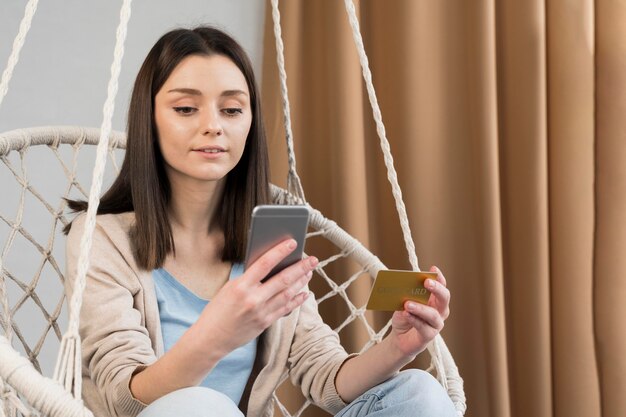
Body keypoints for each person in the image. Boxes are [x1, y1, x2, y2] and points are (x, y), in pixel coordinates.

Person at [64, 26, 457, 417]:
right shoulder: (102, 239)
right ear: (148, 119)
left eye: (232, 109)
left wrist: (397, 348)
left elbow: (324, 377)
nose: (213, 125)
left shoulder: (268, 243)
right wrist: (216, 335)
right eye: (186, 108)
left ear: (250, 122)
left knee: (417, 392)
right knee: (199, 407)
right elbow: (124, 399)